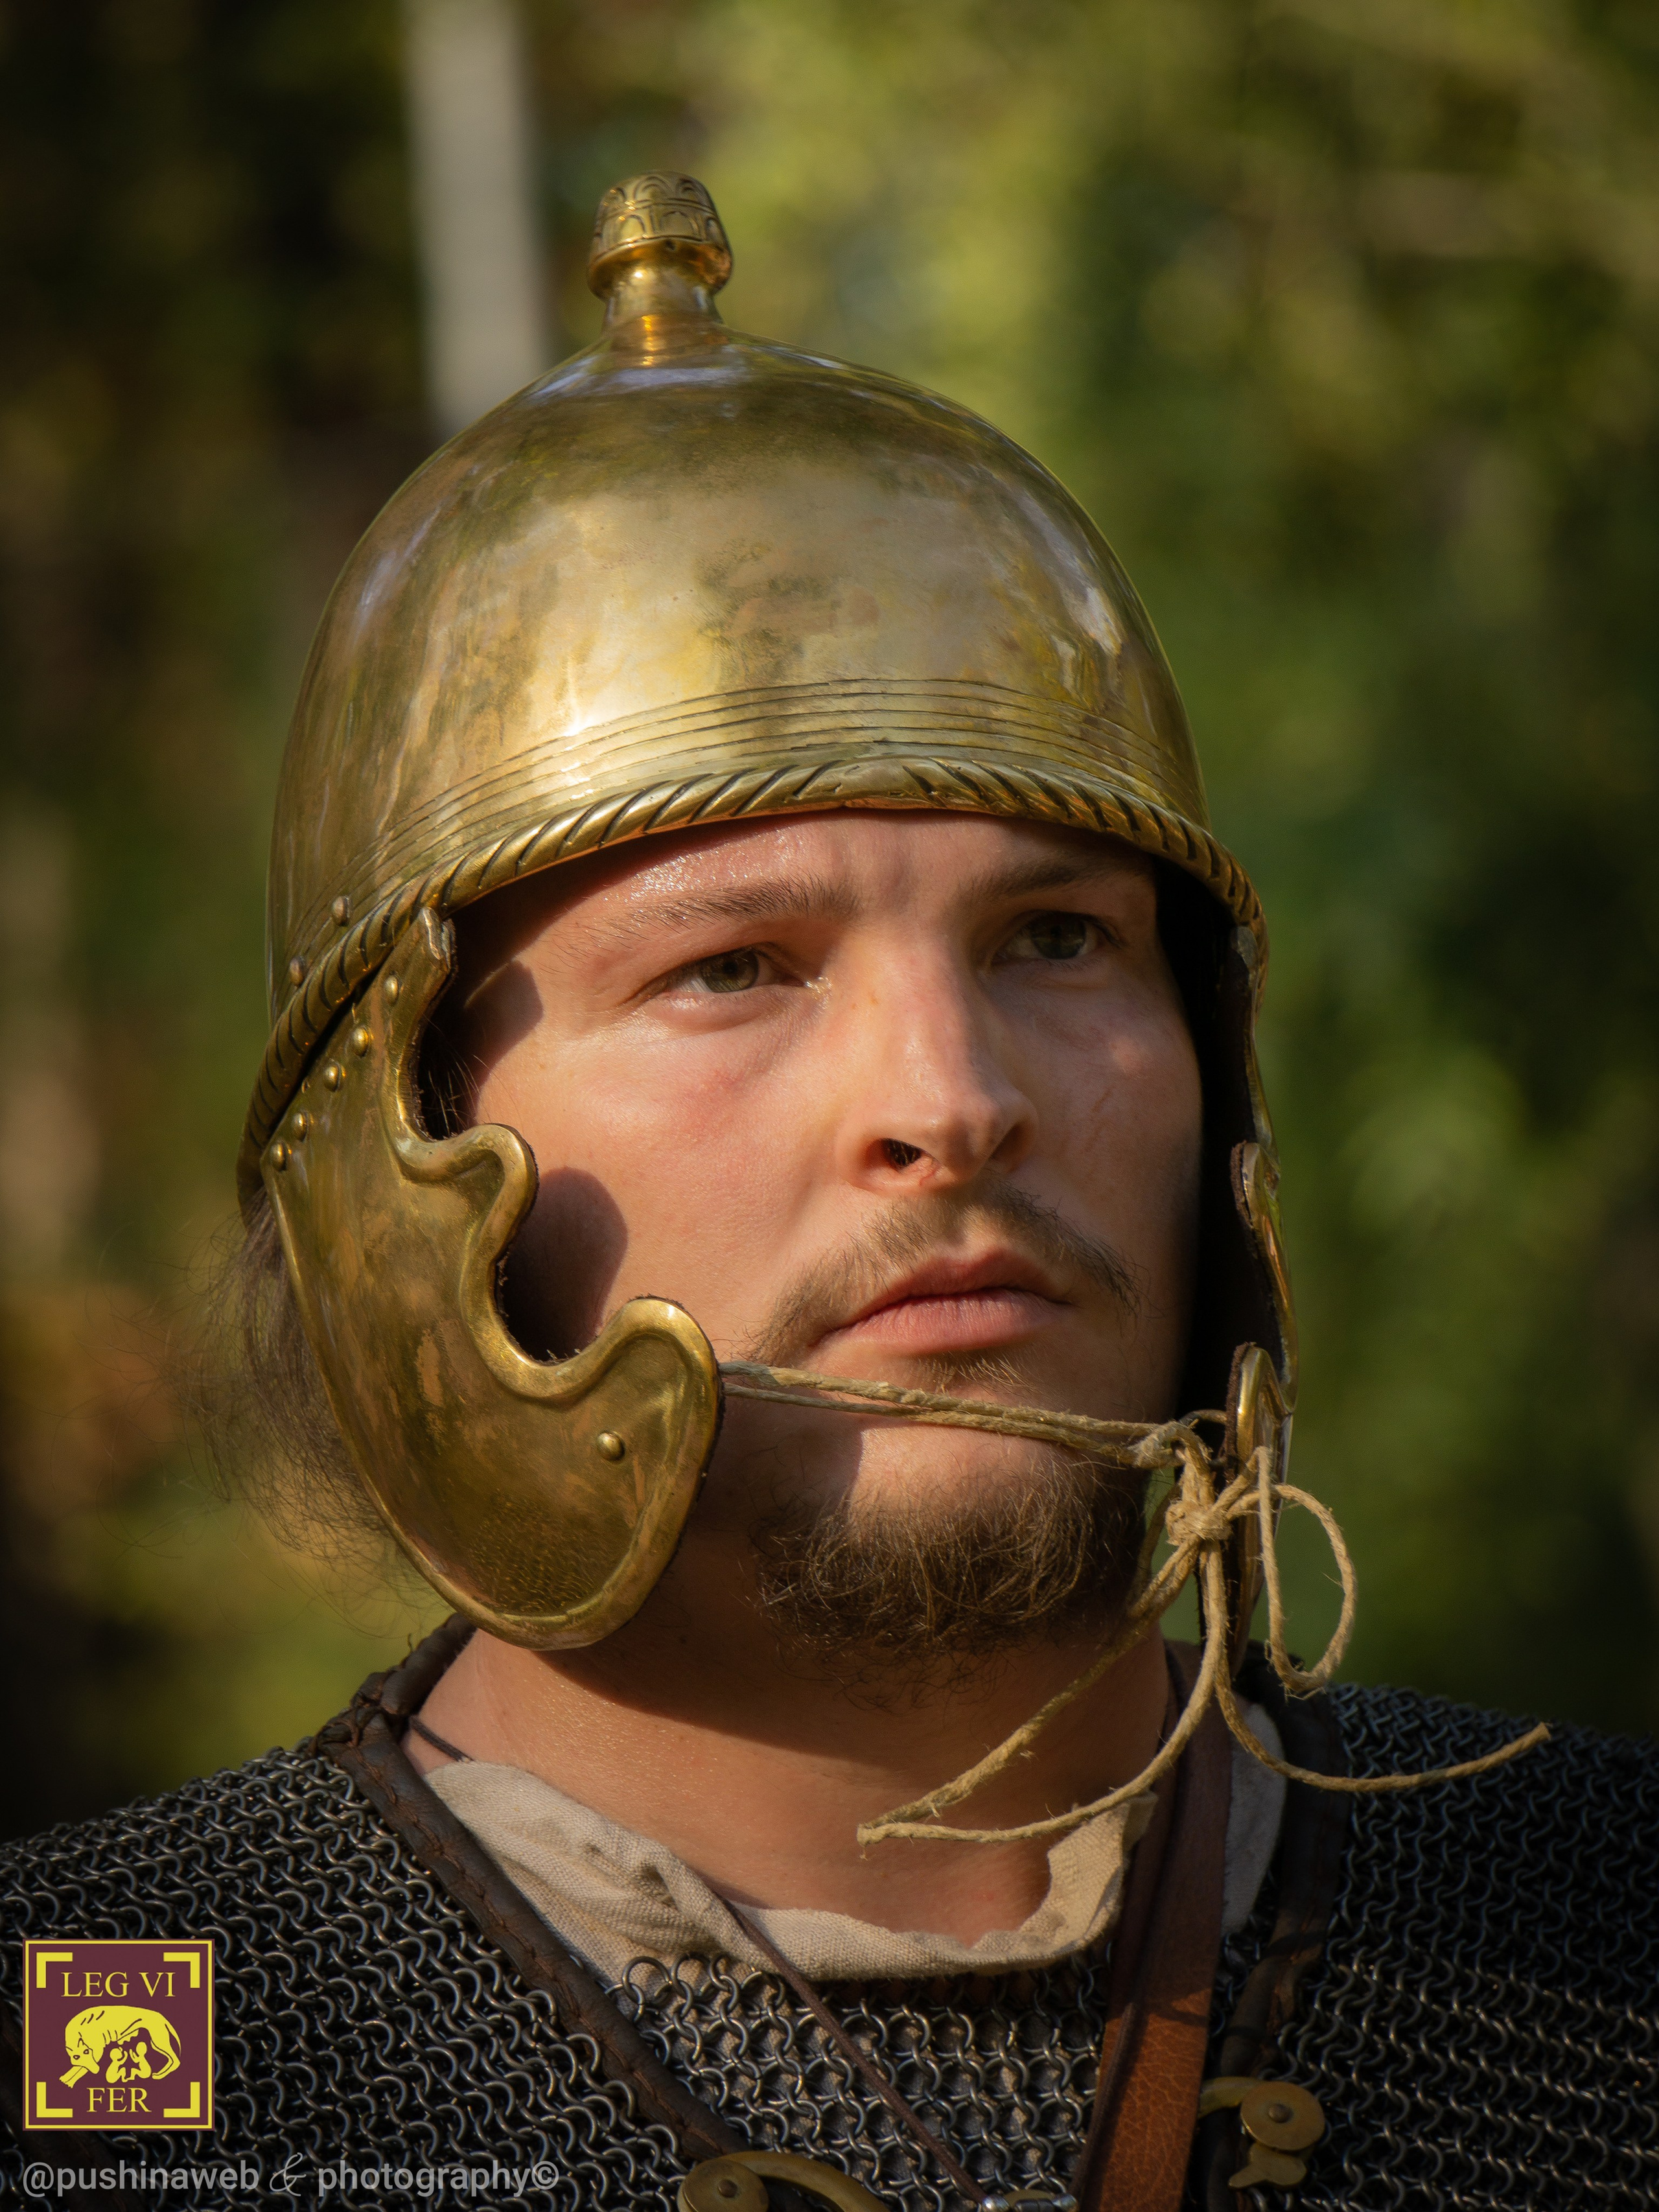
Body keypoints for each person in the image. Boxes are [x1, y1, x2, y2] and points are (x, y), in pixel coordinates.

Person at [1, 173, 1653, 2212]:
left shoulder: (1606, 1947)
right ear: (393, 1157)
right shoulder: (105, 2062)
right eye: (732, 969)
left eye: (1055, 941)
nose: (951, 1104)